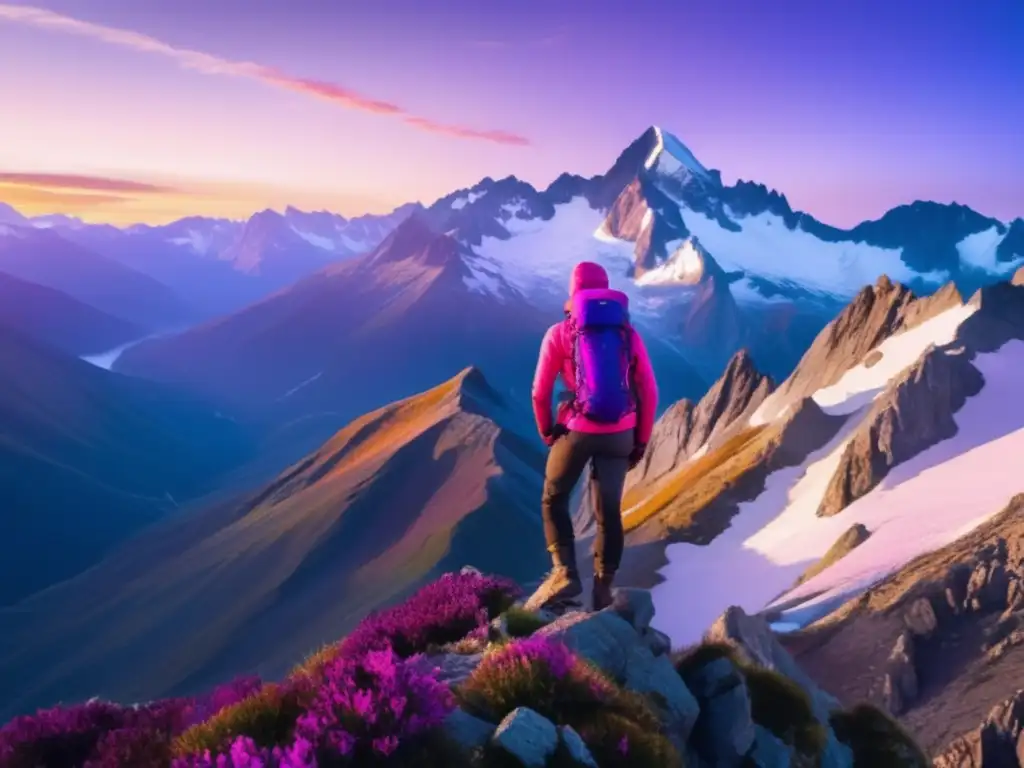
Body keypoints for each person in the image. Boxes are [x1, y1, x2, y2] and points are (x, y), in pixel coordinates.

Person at [524, 261, 658, 612]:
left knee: (554, 497)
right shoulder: (628, 334)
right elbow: (648, 388)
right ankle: (603, 589)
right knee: (608, 512)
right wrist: (640, 440)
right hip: (621, 434)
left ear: (573, 292)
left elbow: (539, 392)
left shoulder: (559, 333)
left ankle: (565, 572)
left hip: (577, 430)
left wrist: (547, 430)